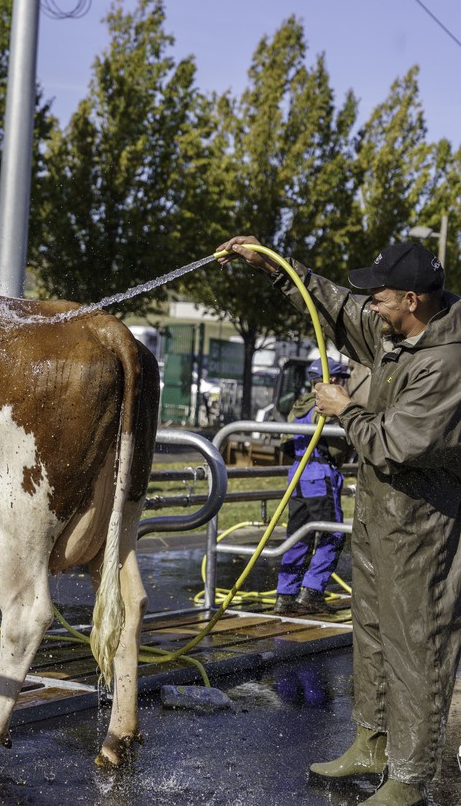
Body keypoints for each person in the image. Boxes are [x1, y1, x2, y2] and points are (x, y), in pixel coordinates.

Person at [216, 236, 461, 806]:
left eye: (379, 298)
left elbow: (395, 443)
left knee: (416, 643)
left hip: (424, 521)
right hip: (381, 511)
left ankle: (410, 774)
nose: (370, 306)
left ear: (411, 298)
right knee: (372, 629)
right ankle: (371, 743)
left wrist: (343, 408)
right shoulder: (394, 328)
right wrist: (274, 266)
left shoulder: (447, 363)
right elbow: (334, 302)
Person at [274, 356, 350, 616]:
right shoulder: (328, 407)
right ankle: (312, 592)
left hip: (297, 477)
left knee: (297, 536)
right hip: (320, 477)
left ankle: (285, 595)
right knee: (333, 535)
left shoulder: (299, 405)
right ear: (336, 380)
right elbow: (340, 448)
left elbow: (284, 443)